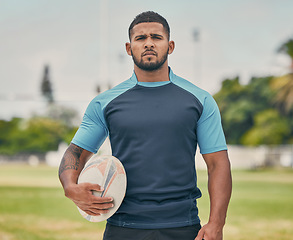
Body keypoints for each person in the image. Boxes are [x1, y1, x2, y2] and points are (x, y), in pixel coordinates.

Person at [58, 11, 232, 240]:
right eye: (140, 38)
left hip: (183, 225)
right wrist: (70, 187)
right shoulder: (104, 103)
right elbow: (75, 153)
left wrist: (216, 223)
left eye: (156, 37)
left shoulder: (200, 100)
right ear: (129, 48)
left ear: (170, 46)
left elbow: (218, 164)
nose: (148, 43)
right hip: (123, 225)